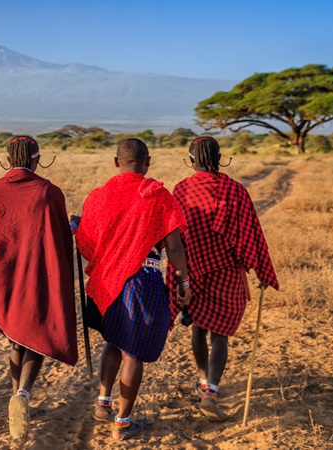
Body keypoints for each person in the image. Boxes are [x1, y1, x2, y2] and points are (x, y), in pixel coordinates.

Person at [73, 138, 191, 440]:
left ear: (116, 162)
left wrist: (78, 228)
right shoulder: (159, 196)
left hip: (108, 280)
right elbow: (174, 248)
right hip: (142, 281)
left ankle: (103, 404)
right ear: (147, 162)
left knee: (114, 341)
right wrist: (183, 281)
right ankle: (123, 423)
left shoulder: (99, 196)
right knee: (133, 352)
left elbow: (86, 244)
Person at [0, 136, 78, 440]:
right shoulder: (48, 192)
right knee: (38, 335)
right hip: (38, 277)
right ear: (36, 159)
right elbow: (58, 239)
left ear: (7, 160)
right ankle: (24, 395)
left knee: (18, 337)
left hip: (3, 279)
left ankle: (17, 395)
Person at [169, 136, 279, 422]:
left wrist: (181, 279)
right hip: (228, 273)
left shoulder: (182, 189)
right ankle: (211, 392)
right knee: (220, 335)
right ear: (219, 157)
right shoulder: (236, 190)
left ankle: (204, 380)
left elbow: (175, 238)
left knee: (199, 329)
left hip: (193, 273)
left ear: (191, 158)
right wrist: (261, 269)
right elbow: (252, 234)